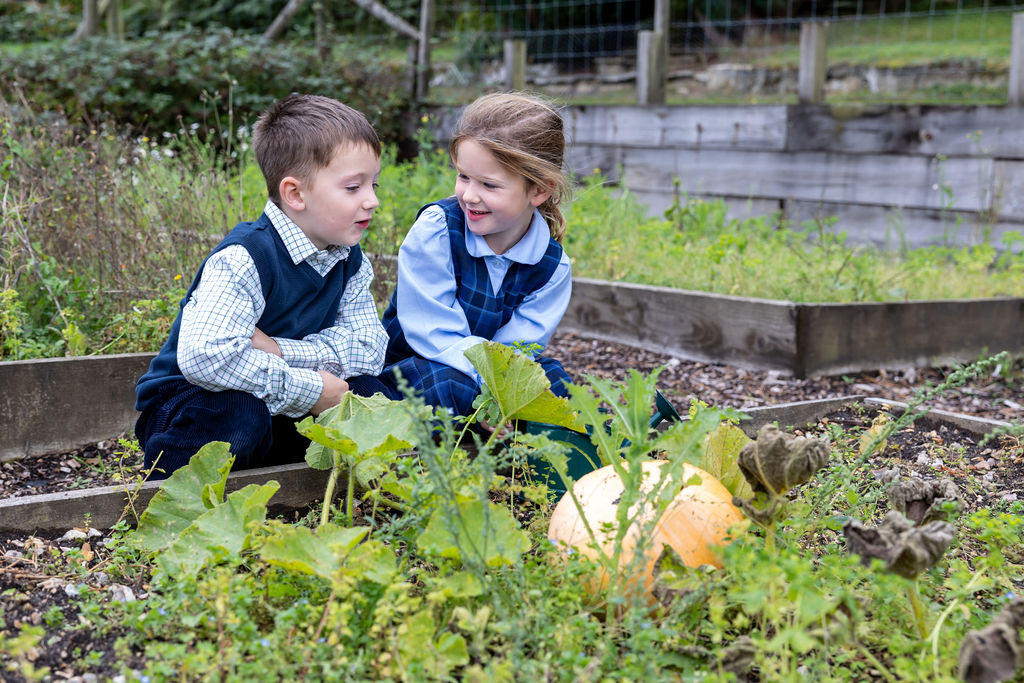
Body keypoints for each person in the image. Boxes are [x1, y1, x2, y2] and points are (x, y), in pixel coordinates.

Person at [134, 94, 390, 478]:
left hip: (279, 398)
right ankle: (169, 489)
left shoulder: (349, 260)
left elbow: (369, 348)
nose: (372, 201)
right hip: (191, 405)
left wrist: (279, 350)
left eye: (374, 184)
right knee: (238, 412)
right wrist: (312, 389)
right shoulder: (245, 257)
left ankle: (283, 477)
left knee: (373, 391)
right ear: (296, 194)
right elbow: (208, 359)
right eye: (354, 188)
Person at [379, 92, 573, 417]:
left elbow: (520, 350)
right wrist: (492, 391)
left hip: (494, 377)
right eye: (463, 176)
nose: (469, 195)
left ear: (539, 189)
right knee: (450, 388)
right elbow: (434, 334)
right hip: (418, 366)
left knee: (557, 385)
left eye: (489, 185)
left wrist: (504, 393)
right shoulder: (437, 231)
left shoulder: (551, 267)